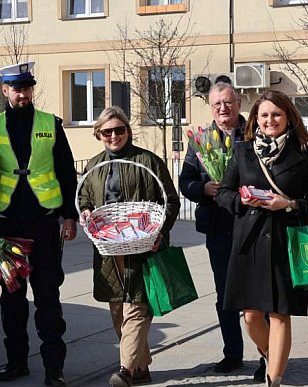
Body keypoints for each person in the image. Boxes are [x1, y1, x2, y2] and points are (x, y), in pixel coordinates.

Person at [215, 90, 308, 386]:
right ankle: (269, 353)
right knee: (251, 316)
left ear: (288, 117)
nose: (270, 120)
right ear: (255, 119)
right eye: (264, 115)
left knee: (280, 313)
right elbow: (224, 193)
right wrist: (242, 200)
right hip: (248, 241)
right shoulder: (243, 151)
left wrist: (289, 204)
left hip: (285, 241)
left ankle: (274, 378)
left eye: (276, 114)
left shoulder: (305, 153)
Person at [0, 62, 78, 387]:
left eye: (27, 88)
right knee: (12, 299)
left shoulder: (50, 124)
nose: (22, 93)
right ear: (4, 90)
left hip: (44, 225)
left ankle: (55, 369)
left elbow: (66, 171)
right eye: (16, 88)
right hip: (5, 226)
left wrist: (70, 215)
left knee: (48, 297)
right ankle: (16, 362)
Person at [77, 106, 181, 387]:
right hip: (108, 250)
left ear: (128, 131)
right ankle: (141, 368)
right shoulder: (94, 166)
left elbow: (170, 201)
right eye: (107, 132)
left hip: (143, 246)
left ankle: (124, 371)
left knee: (136, 308)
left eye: (119, 130)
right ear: (99, 134)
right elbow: (85, 198)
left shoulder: (148, 161)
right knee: (117, 311)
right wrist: (85, 212)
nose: (114, 136)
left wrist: (160, 231)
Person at [179, 82, 265, 380]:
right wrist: (202, 187)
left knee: (257, 295)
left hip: (254, 226)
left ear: (238, 102)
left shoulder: (256, 132)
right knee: (225, 295)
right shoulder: (201, 139)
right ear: (210, 106)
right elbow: (186, 181)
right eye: (217, 104)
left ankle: (267, 355)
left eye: (228, 103)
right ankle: (233, 354)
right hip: (218, 228)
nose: (223, 109)